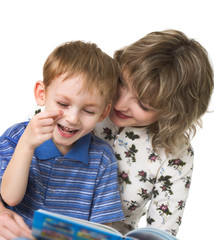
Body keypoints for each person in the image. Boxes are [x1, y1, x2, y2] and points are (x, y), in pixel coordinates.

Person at [94, 29, 213, 236]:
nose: (119, 103)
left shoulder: (175, 154)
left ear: (172, 113)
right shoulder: (85, 97)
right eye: (121, 82)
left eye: (143, 104)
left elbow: (160, 232)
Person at [0, 41, 124, 239]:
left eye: (88, 111)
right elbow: (10, 198)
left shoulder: (102, 158)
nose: (73, 118)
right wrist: (27, 144)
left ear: (103, 113)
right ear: (42, 94)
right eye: (63, 104)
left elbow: (102, 230)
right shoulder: (16, 138)